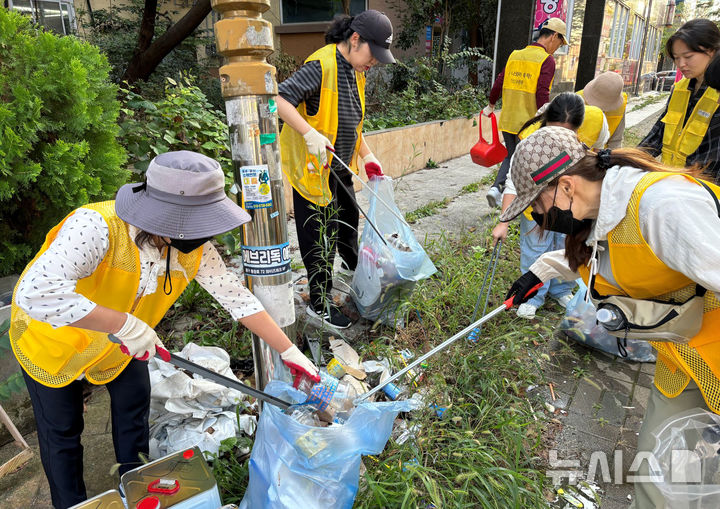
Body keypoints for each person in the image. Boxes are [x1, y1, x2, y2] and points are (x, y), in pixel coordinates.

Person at [9, 151, 321, 509]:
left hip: (121, 346)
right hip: (54, 341)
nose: (204, 232)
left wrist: (288, 351)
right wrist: (123, 323)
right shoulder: (95, 226)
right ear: (164, 215)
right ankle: (72, 504)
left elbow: (238, 299)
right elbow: (36, 293)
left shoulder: (195, 249)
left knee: (134, 410)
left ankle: (140, 490)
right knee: (62, 433)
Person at [501, 127, 720, 508]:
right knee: (658, 477)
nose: (538, 217)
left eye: (537, 206)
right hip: (680, 362)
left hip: (715, 358)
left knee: (698, 486)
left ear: (566, 186)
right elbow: (602, 260)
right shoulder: (601, 214)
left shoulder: (663, 206)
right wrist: (537, 272)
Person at [277, 10, 394, 329]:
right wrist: (308, 132)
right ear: (355, 39)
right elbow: (279, 99)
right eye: (374, 53)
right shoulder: (321, 64)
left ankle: (362, 288)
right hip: (313, 172)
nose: (375, 62)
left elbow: (351, 124)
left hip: (341, 169)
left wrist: (367, 154)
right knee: (319, 242)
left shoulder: (357, 71)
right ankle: (319, 303)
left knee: (347, 231)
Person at [492, 93, 587, 319]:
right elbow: (513, 183)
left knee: (564, 249)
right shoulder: (529, 147)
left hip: (568, 212)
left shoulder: (580, 145)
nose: (558, 137)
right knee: (537, 251)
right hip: (534, 214)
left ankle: (560, 290)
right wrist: (503, 222)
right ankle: (533, 297)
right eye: (554, 130)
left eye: (566, 133)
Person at [484, 16, 568, 208]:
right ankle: (514, 199)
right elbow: (542, 92)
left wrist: (490, 104)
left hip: (508, 118)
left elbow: (499, 82)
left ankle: (497, 189)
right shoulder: (546, 60)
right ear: (553, 36)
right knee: (523, 162)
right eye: (560, 41)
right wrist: (545, 119)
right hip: (529, 122)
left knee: (512, 156)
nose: (558, 47)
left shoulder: (516, 54)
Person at [639, 18, 720, 183]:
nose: (681, 64)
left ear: (712, 50)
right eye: (676, 58)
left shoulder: (717, 95)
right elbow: (658, 134)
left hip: (700, 191)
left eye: (688, 56)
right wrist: (630, 158)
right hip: (671, 183)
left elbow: (711, 159)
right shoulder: (679, 88)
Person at [578, 71, 627, 149]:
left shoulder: (620, 108)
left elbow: (616, 141)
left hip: (601, 155)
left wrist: (610, 158)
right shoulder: (575, 101)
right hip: (574, 153)